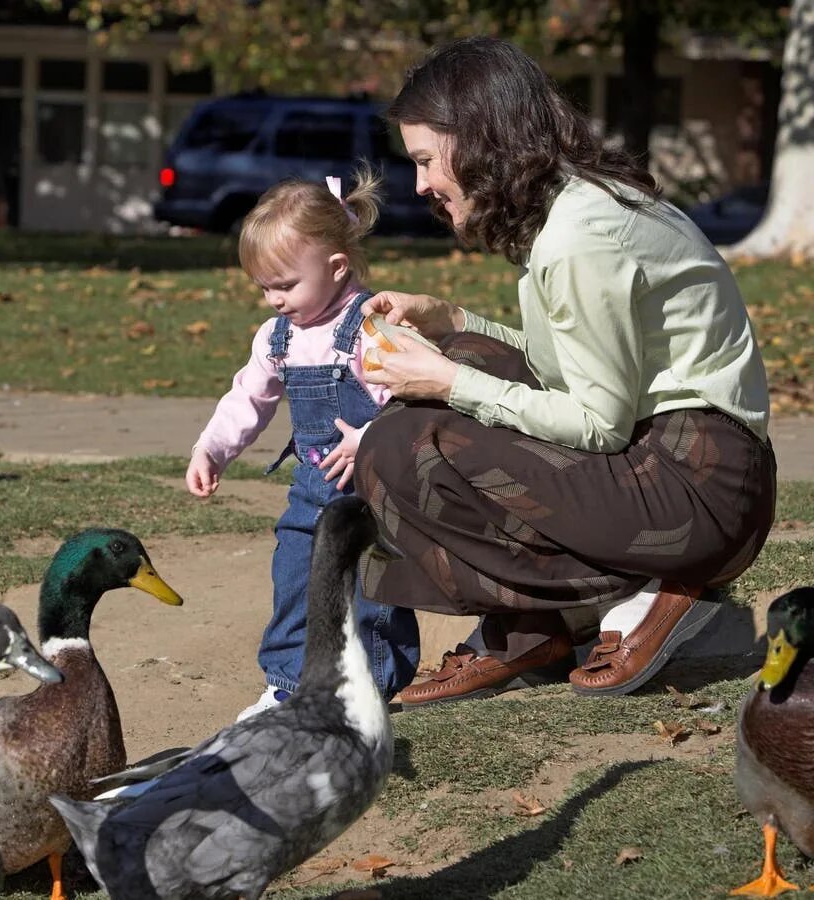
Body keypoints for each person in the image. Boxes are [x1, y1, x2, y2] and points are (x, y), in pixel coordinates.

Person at [353, 36, 776, 709]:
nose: (421, 184)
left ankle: (625, 596)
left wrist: (446, 383)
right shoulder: (582, 208)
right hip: (688, 470)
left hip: (696, 493)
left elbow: (597, 424)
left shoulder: (580, 236)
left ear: (480, 139)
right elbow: (582, 365)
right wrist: (455, 325)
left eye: (426, 160)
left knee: (398, 445)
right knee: (461, 367)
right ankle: (537, 629)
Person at [186, 167, 421, 720]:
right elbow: (249, 397)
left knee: (371, 588)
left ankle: (374, 684)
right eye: (264, 288)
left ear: (336, 267)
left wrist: (369, 438)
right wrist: (212, 448)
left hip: (373, 492)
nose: (274, 299)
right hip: (311, 490)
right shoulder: (279, 337)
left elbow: (412, 401)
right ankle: (288, 683)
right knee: (294, 580)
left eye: (285, 285)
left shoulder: (370, 330)